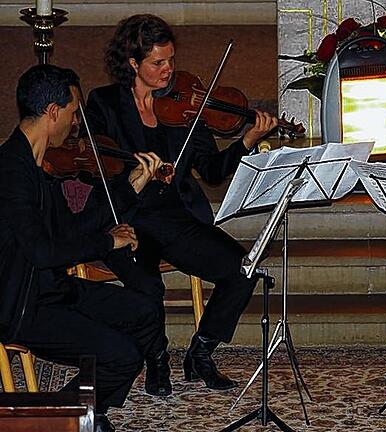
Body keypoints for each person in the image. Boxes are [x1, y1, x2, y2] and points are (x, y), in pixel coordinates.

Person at [83, 14, 278, 396]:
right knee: (148, 286)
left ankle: (201, 353)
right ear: (132, 63)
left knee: (242, 270)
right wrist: (137, 172)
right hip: (129, 217)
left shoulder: (187, 105)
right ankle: (156, 359)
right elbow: (96, 164)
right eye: (158, 63)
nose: (168, 70)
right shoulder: (103, 103)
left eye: (171, 60)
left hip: (176, 217)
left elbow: (212, 170)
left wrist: (247, 140)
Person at [0, 64, 166, 432]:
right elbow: (43, 252)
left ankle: (81, 410)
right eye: (74, 113)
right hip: (20, 307)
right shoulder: (10, 171)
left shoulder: (36, 166)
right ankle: (57, 418)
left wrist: (129, 188)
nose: (77, 123)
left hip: (51, 289)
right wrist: (110, 240)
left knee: (144, 311)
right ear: (53, 112)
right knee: (121, 357)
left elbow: (71, 230)